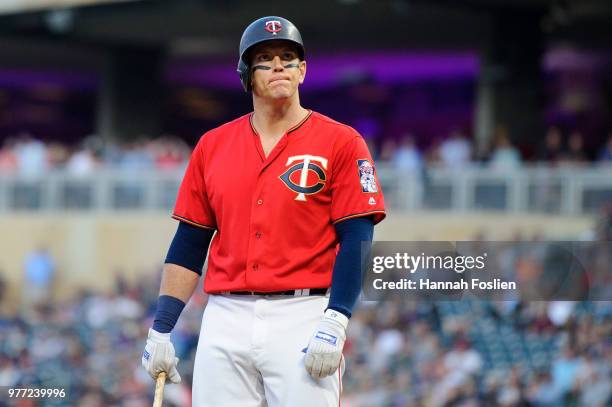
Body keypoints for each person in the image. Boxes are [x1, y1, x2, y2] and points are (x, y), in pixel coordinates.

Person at [141, 16, 386, 406]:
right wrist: (161, 329)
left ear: (302, 70)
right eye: (265, 58)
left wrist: (336, 318)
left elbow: (357, 237)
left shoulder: (341, 141)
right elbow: (189, 242)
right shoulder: (213, 145)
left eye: (288, 57)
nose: (278, 65)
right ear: (246, 74)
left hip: (303, 313)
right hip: (226, 315)